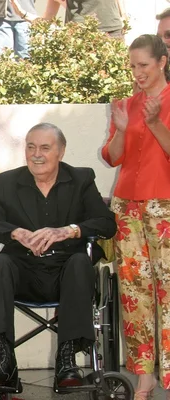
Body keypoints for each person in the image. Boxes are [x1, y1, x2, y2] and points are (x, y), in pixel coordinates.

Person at [0, 123, 116, 388]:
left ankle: (67, 360)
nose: (36, 154)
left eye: (44, 148)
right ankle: (2, 359)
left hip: (68, 274)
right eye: (30, 147)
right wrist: (17, 233)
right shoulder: (6, 182)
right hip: (23, 272)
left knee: (79, 262)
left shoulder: (82, 179)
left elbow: (106, 224)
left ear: (61, 152)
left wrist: (69, 231)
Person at [102, 34, 170, 399]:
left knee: (168, 293)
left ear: (162, 62)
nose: (137, 72)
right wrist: (124, 130)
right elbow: (112, 157)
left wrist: (157, 123)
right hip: (126, 206)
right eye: (132, 66)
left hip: (165, 207)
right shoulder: (125, 104)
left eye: (143, 65)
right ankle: (144, 377)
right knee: (134, 293)